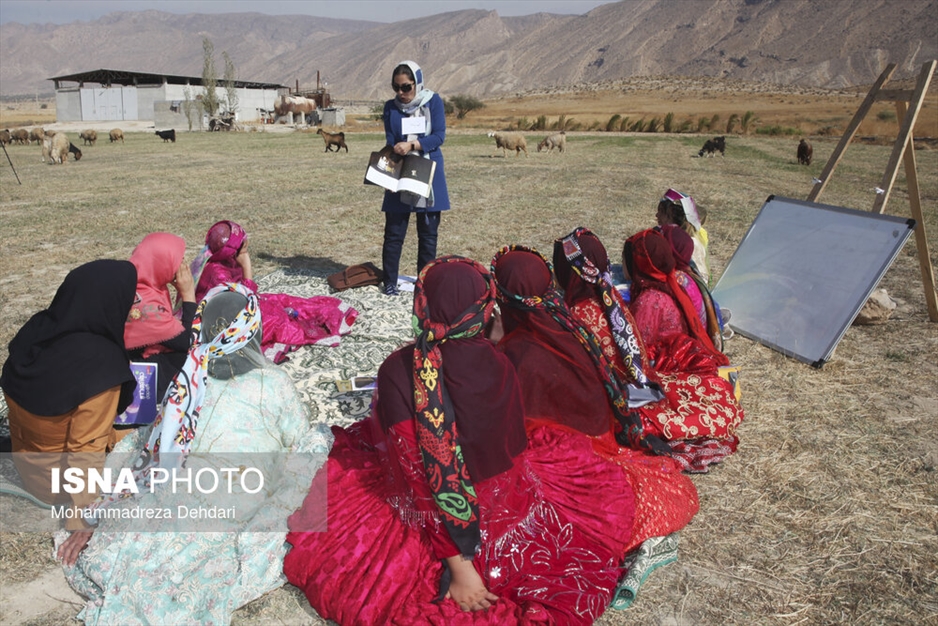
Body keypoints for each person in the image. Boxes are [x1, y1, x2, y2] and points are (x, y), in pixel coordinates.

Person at [285, 256, 635, 625]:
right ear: (484, 310)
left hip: (433, 524)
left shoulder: (401, 370)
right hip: (509, 510)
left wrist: (460, 565)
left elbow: (421, 476)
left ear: (422, 304)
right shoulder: (501, 362)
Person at [61, 283, 333, 625]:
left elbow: (151, 448)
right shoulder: (274, 382)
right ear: (251, 329)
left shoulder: (188, 380)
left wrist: (102, 509)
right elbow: (299, 444)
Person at [491, 245, 699, 553]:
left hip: (566, 459)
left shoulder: (518, 355)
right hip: (602, 435)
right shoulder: (568, 326)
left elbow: (508, 436)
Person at [0, 260, 138, 548]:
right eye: (130, 296)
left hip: (29, 466)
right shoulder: (101, 365)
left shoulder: (35, 332)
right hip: (58, 486)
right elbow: (85, 449)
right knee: (158, 451)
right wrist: (80, 517)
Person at [621, 228, 744, 471]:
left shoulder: (650, 300)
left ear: (637, 264)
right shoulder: (672, 282)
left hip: (667, 365)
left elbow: (636, 354)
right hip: (677, 358)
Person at [192, 219, 358, 363]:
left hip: (240, 304)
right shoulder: (217, 273)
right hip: (228, 321)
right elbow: (241, 305)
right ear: (234, 249)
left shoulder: (221, 261)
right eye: (244, 241)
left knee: (283, 301)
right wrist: (247, 266)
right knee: (280, 323)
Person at [379, 61, 450, 296]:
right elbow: (390, 138)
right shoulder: (390, 107)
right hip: (400, 169)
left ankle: (425, 283)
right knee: (394, 232)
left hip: (428, 171)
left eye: (406, 87)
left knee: (428, 234)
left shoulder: (433, 102)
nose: (401, 93)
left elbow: (439, 135)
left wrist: (413, 145)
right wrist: (388, 170)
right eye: (396, 87)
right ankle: (390, 281)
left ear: (417, 84)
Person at [124, 232, 197, 400]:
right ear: (161, 263)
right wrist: (188, 295)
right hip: (142, 378)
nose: (182, 265)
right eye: (177, 260)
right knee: (197, 357)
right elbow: (189, 341)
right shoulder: (145, 305)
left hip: (136, 362)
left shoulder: (139, 286)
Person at [656, 188, 710, 285]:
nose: (657, 215)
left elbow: (700, 279)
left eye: (661, 212)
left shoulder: (691, 243)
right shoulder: (668, 236)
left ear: (673, 216)